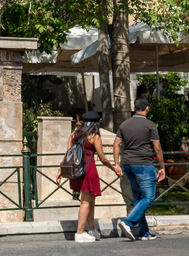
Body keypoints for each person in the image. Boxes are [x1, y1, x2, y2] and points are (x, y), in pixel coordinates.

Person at [56, 110, 121, 243]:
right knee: (86, 202)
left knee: (90, 201)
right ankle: (79, 233)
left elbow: (68, 154)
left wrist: (61, 170)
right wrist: (114, 167)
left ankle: (92, 229)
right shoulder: (94, 137)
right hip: (88, 170)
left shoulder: (73, 135)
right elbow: (102, 158)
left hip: (76, 170)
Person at [113, 97, 165, 241]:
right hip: (144, 165)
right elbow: (158, 148)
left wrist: (117, 164)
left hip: (128, 164)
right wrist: (162, 167)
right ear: (147, 108)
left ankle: (144, 232)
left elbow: (116, 144)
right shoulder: (150, 125)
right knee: (148, 197)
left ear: (134, 108)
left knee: (138, 198)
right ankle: (128, 222)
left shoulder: (124, 124)